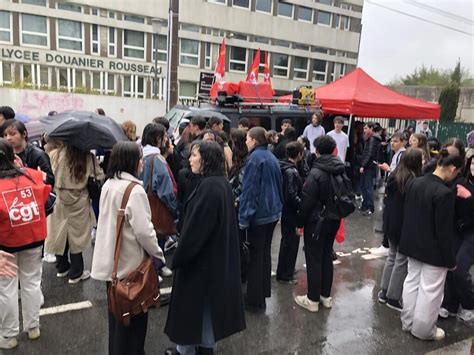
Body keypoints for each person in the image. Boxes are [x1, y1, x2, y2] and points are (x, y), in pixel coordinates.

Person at [165, 141, 246, 354]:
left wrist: (178, 259)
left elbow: (195, 233)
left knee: (192, 320)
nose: (190, 159)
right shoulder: (220, 183)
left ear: (206, 159)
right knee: (205, 321)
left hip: (200, 267)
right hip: (214, 264)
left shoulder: (210, 187)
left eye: (194, 155)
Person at [91, 141, 165, 355]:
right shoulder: (135, 190)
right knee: (134, 320)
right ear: (131, 161)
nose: (142, 163)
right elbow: (144, 231)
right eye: (140, 158)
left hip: (110, 264)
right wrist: (158, 253)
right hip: (130, 265)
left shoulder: (109, 184)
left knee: (116, 318)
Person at [399, 149, 464, 341]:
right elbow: (444, 232)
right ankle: (423, 329)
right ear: (452, 168)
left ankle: (408, 322)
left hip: (412, 244)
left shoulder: (415, 182)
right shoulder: (444, 193)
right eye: (457, 172)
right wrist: (450, 260)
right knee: (430, 291)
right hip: (434, 251)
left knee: (411, 283)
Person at [0, 138, 51, 349]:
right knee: (31, 283)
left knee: (6, 288)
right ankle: (33, 327)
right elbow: (47, 200)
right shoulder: (33, 175)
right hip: (34, 236)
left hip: (6, 243)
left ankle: (9, 336)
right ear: (13, 156)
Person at [294, 135, 346, 312]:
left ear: (317, 151)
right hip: (334, 219)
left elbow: (307, 201)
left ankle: (312, 299)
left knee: (314, 258)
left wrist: (299, 222)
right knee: (326, 256)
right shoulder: (339, 168)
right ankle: (325, 296)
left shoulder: (316, 172)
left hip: (316, 221)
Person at [45, 142, 103, 284]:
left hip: (59, 198)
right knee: (77, 235)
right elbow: (99, 175)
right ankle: (76, 273)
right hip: (79, 199)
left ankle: (62, 267)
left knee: (59, 232)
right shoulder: (87, 157)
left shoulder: (54, 154)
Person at [239, 127, 283, 311]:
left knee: (256, 256)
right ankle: (262, 293)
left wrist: (243, 218)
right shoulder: (271, 157)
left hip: (260, 214)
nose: (246, 142)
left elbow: (250, 191)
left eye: (248, 139)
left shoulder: (255, 159)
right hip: (272, 212)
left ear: (255, 141)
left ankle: (254, 299)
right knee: (264, 254)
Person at [377, 148, 423, 311]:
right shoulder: (412, 180)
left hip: (390, 224)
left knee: (392, 257)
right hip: (403, 225)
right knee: (401, 261)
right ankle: (394, 297)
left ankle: (384, 291)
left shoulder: (395, 175)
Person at [140, 124, 178, 278]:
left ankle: (154, 268)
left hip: (142, 202)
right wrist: (174, 209)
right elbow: (166, 191)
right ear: (158, 139)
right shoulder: (157, 159)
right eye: (164, 137)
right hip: (156, 203)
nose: (166, 140)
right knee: (157, 235)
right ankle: (155, 269)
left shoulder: (140, 154)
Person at [372, 132, 408, 257]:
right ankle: (385, 243)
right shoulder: (396, 154)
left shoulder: (402, 155)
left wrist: (388, 169)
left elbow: (400, 174)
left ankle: (387, 245)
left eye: (396, 141)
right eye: (392, 141)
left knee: (390, 217)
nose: (392, 143)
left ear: (403, 142)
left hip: (396, 191)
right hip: (392, 188)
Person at [276, 142, 304, 284]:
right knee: (291, 243)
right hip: (291, 212)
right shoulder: (291, 171)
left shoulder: (282, 167)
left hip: (284, 210)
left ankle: (284, 271)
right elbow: (292, 195)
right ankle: (285, 274)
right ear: (299, 154)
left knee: (286, 241)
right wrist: (303, 205)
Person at [3, 119, 54, 188]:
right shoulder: (5, 155)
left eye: (12, 134)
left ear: (24, 134)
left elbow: (50, 180)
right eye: (5, 135)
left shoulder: (38, 155)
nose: (8, 138)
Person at [359, 122, 382, 216]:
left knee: (368, 187)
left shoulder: (372, 139)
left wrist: (363, 165)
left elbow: (370, 154)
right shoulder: (370, 138)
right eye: (364, 128)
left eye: (366, 128)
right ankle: (365, 205)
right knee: (363, 186)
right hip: (367, 166)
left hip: (368, 167)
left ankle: (370, 207)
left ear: (371, 128)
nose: (364, 130)